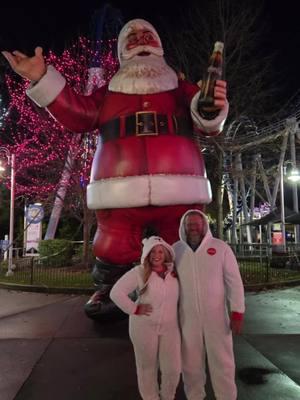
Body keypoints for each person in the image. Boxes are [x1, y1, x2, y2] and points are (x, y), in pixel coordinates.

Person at [2, 18, 229, 317]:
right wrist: (42, 76)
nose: (141, 41)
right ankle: (111, 290)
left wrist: (211, 105)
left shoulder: (182, 90)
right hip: (119, 189)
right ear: (122, 53)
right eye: (131, 38)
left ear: (159, 45)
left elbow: (207, 120)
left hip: (180, 185)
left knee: (183, 241)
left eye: (147, 35)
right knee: (114, 241)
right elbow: (78, 115)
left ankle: (191, 291)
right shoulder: (107, 93)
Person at [173, 210, 245, 400]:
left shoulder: (221, 248)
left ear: (204, 225)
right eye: (189, 225)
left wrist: (237, 312)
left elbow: (234, 282)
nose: (193, 228)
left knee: (223, 362)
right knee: (190, 364)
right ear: (184, 227)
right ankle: (195, 396)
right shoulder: (176, 251)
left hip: (217, 319)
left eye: (197, 224)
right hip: (187, 319)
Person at [110, 236, 180, 400]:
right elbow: (116, 292)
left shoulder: (174, 273)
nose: (157, 255)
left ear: (166, 253)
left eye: (160, 251)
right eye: (152, 251)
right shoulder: (140, 272)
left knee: (173, 369)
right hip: (144, 327)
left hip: (170, 328)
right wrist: (134, 308)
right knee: (147, 367)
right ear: (147, 254)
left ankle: (168, 397)